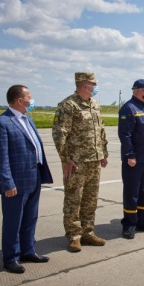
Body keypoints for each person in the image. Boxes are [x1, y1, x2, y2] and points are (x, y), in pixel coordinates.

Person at [0, 85, 53, 274]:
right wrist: (7, 183)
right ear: (19, 100)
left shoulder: (28, 119)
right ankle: (10, 258)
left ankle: (28, 251)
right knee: (13, 221)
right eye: (29, 97)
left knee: (30, 218)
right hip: (15, 183)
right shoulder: (2, 123)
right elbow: (0, 158)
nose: (32, 100)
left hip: (34, 177)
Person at [52, 72, 108, 252]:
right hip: (76, 163)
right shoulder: (69, 105)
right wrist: (66, 159)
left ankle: (87, 232)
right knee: (73, 199)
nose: (96, 87)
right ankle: (74, 236)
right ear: (85, 85)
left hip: (93, 160)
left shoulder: (94, 105)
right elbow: (59, 134)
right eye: (94, 84)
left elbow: (101, 131)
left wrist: (103, 153)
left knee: (90, 199)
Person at [119, 79, 144, 239]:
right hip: (134, 159)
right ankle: (129, 224)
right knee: (132, 192)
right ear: (142, 90)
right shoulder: (128, 108)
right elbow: (125, 134)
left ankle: (143, 221)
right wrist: (130, 155)